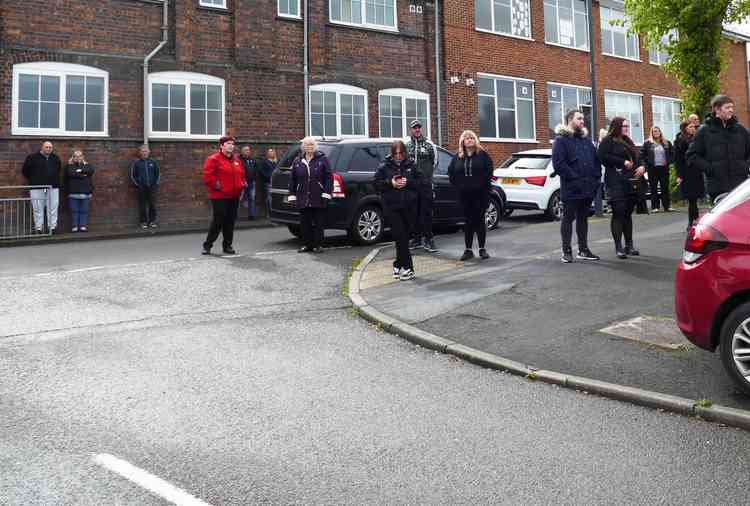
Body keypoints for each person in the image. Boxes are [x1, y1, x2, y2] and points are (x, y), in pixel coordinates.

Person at [552, 110, 602, 263]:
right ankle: (566, 251)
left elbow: (596, 161)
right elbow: (559, 165)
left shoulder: (586, 141)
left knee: (583, 219)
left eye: (583, 118)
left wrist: (596, 180)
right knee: (568, 218)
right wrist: (575, 178)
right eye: (579, 118)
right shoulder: (560, 140)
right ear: (570, 120)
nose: (582, 121)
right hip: (571, 189)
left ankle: (583, 250)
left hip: (587, 188)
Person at [687, 94, 750, 203]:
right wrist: (711, 169)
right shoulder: (704, 131)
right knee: (723, 219)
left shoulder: (740, 130)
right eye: (727, 107)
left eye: (732, 107)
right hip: (717, 187)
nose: (731, 110)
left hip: (740, 187)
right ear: (717, 109)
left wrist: (745, 166)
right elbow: (692, 156)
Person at [598, 117, 646, 259]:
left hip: (631, 182)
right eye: (624, 126)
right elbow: (602, 156)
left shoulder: (628, 141)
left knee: (627, 213)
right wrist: (622, 161)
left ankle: (629, 245)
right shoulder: (608, 141)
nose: (626, 128)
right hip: (615, 181)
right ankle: (618, 246)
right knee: (618, 213)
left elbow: (638, 157)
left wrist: (643, 166)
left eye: (627, 126)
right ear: (617, 126)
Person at [373, 140, 420, 280]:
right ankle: (409, 268)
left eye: (401, 153)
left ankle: (397, 264)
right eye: (396, 153)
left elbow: (421, 182)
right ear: (392, 153)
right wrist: (390, 183)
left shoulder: (411, 165)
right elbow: (375, 184)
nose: (398, 156)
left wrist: (408, 182)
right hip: (392, 207)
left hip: (409, 206)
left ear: (405, 152)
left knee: (403, 238)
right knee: (400, 236)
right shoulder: (384, 167)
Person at [448, 130, 494, 261]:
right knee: (468, 222)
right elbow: (451, 173)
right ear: (462, 141)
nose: (469, 140)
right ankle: (468, 250)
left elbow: (489, 172)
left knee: (479, 220)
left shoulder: (483, 155)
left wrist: (480, 185)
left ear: (475, 140)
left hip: (480, 195)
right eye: (466, 138)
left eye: (471, 138)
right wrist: (458, 185)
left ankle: (482, 249)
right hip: (464, 196)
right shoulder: (457, 157)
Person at [202, 136, 246, 255]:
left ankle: (227, 245)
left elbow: (242, 174)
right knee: (218, 220)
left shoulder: (237, 160)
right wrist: (218, 186)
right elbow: (208, 177)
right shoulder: (213, 159)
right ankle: (207, 245)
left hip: (234, 196)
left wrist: (242, 184)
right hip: (219, 196)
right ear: (221, 146)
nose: (231, 145)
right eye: (228, 143)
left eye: (232, 144)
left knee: (230, 221)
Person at [288, 137, 333, 253]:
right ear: (303, 147)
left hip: (318, 196)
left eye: (312, 145)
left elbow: (328, 178)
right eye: (307, 145)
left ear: (315, 147)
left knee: (318, 222)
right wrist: (292, 195)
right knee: (304, 223)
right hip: (303, 196)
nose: (309, 147)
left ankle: (318, 245)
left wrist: (326, 194)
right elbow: (293, 179)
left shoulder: (323, 160)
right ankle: (306, 244)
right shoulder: (298, 161)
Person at [406, 119, 438, 252]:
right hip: (412, 186)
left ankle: (429, 240)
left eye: (419, 127)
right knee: (414, 213)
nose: (417, 130)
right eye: (414, 128)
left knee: (426, 213)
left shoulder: (429, 144)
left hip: (425, 185)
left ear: (421, 129)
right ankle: (417, 239)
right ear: (411, 130)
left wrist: (426, 177)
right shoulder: (407, 146)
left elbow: (435, 162)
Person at [21, 141, 62, 234]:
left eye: (50, 147)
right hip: (37, 186)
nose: (48, 149)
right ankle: (38, 227)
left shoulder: (55, 158)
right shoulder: (32, 158)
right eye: (46, 147)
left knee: (53, 208)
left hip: (53, 187)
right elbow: (25, 171)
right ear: (42, 147)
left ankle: (52, 227)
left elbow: (58, 170)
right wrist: (35, 179)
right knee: (37, 208)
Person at [674, 121, 701, 228]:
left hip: (697, 171)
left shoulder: (697, 139)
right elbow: (678, 160)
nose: (693, 128)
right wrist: (679, 175)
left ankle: (696, 221)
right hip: (687, 172)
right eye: (690, 127)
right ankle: (692, 222)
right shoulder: (680, 141)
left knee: (695, 200)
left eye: (694, 127)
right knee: (692, 199)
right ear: (685, 128)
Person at [641, 126, 674, 213]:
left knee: (665, 187)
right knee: (653, 187)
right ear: (651, 133)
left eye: (657, 131)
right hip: (652, 168)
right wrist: (646, 164)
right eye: (654, 131)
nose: (656, 133)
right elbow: (642, 156)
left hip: (664, 168)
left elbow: (672, 154)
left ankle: (667, 206)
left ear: (660, 132)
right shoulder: (647, 143)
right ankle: (655, 207)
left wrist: (669, 162)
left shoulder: (666, 143)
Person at [64, 150, 95, 233]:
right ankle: (74, 226)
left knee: (84, 211)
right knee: (74, 211)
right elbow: (71, 173)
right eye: (76, 156)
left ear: (83, 157)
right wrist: (84, 174)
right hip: (73, 193)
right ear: (73, 157)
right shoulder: (69, 166)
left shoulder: (88, 165)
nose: (78, 157)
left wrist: (80, 171)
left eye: (80, 156)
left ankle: (83, 226)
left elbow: (91, 170)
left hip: (86, 193)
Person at [130, 144, 160, 229]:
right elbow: (133, 175)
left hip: (152, 187)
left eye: (146, 151)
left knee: (152, 204)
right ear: (140, 152)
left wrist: (155, 184)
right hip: (141, 187)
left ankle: (152, 221)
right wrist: (138, 184)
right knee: (142, 205)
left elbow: (157, 174)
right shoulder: (136, 163)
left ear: (149, 152)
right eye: (143, 151)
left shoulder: (153, 162)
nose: (145, 153)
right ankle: (143, 222)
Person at [239, 145, 258, 220]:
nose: (248, 151)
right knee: (238, 199)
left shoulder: (252, 160)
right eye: (246, 150)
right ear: (242, 151)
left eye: (248, 150)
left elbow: (256, 169)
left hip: (251, 182)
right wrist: (243, 180)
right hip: (242, 182)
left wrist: (254, 178)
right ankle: (234, 216)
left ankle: (251, 215)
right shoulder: (238, 160)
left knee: (252, 199)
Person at [261, 148, 278, 217]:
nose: (272, 153)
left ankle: (276, 212)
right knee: (269, 198)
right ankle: (270, 213)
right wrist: (269, 177)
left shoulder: (276, 161)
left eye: (273, 152)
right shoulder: (265, 162)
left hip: (276, 183)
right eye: (270, 152)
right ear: (267, 154)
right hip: (268, 183)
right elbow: (262, 171)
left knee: (276, 198)